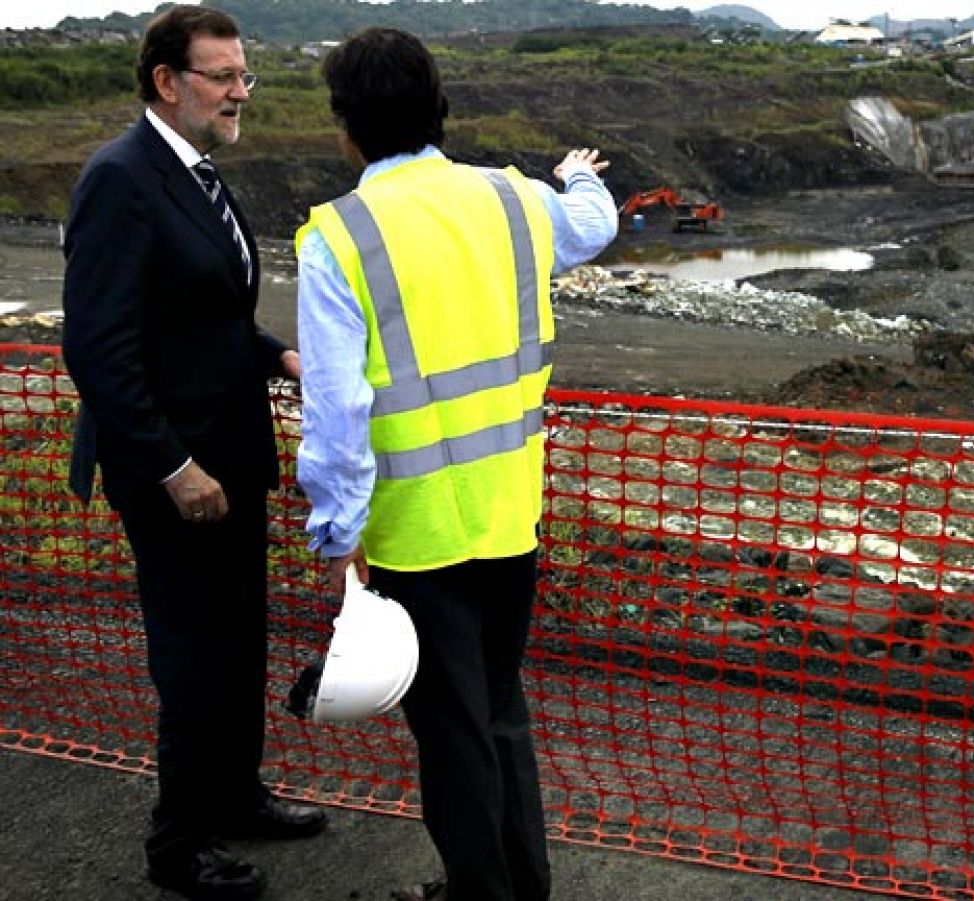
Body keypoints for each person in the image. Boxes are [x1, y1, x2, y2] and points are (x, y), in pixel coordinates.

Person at [294, 27, 618, 901]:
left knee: (450, 730)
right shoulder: (514, 200)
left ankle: (482, 890)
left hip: (415, 533)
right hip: (511, 511)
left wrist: (338, 532)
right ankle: (524, 882)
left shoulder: (339, 238)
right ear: (442, 110)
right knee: (501, 711)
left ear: (346, 129)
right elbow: (594, 225)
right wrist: (579, 174)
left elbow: (336, 415)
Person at [60, 5, 328, 900]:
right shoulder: (120, 179)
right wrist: (173, 466)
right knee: (193, 654)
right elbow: (98, 349)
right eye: (222, 76)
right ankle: (178, 845)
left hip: (234, 456)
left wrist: (280, 356)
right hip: (173, 471)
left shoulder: (199, 175)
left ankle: (235, 793)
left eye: (244, 75)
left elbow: (209, 318)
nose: (239, 91)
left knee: (240, 635)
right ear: (167, 82)